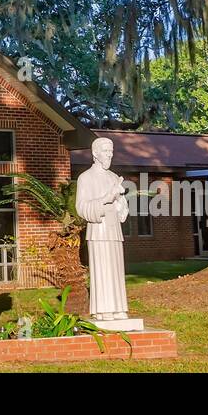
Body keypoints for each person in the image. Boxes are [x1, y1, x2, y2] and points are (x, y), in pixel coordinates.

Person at [75, 136, 131, 320]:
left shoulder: (114, 177)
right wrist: (106, 198)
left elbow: (120, 205)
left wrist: (121, 203)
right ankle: (104, 309)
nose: (109, 155)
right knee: (102, 269)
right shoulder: (85, 178)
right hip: (98, 230)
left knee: (115, 268)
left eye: (111, 152)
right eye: (106, 152)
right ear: (95, 154)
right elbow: (82, 207)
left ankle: (118, 307)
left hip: (114, 229)